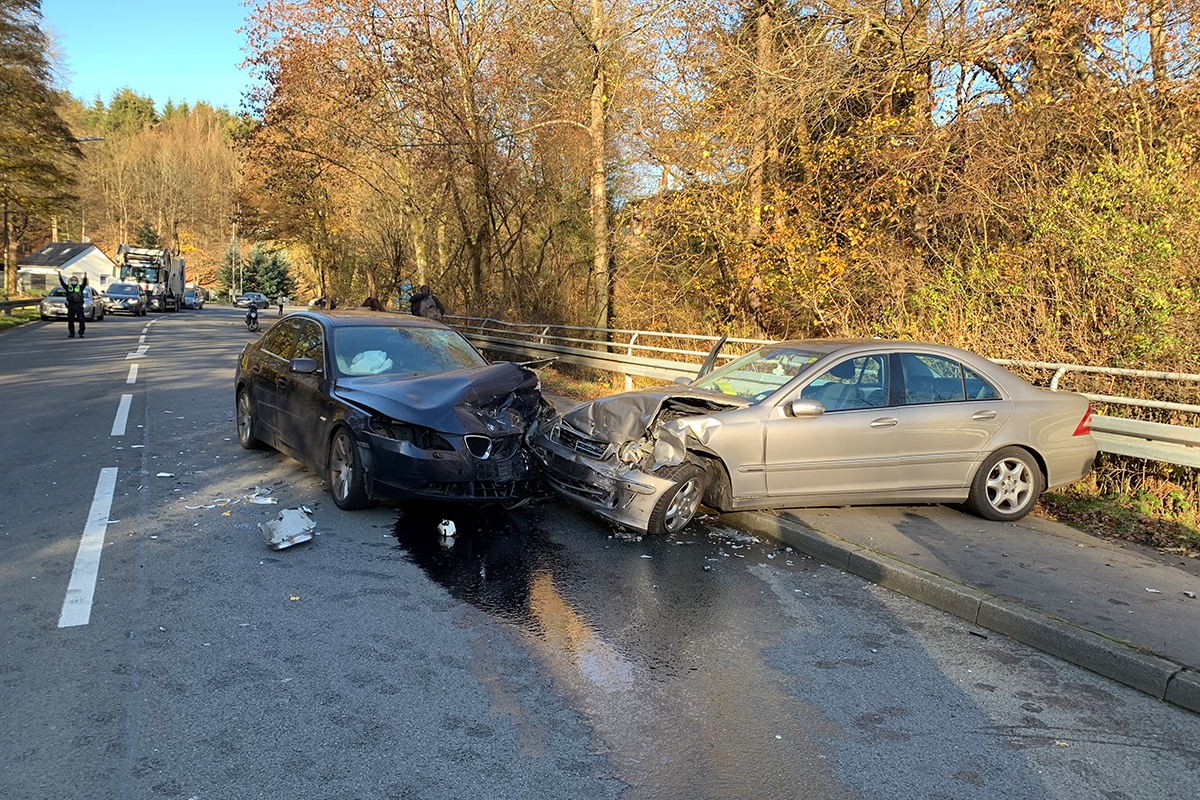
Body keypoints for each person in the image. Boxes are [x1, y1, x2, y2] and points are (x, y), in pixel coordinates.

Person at [60, 272, 88, 339]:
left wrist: (85, 277)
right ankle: (71, 333)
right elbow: (62, 283)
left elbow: (84, 283)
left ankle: (81, 332)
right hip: (71, 305)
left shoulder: (80, 287)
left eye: (75, 280)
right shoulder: (68, 287)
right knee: (70, 320)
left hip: (79, 305)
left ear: (77, 281)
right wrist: (60, 276)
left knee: (81, 319)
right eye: (72, 280)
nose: (73, 281)